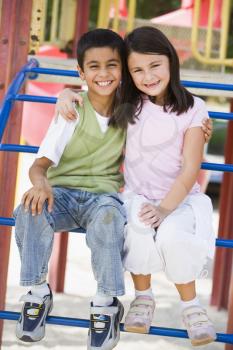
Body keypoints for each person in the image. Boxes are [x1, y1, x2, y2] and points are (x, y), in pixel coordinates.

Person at [55, 27, 216, 347]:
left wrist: (165, 209)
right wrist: (66, 93)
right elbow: (91, 96)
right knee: (137, 228)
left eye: (155, 66)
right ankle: (143, 297)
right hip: (137, 193)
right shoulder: (126, 102)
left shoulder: (193, 108)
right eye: (137, 70)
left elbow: (190, 168)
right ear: (128, 75)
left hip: (179, 198)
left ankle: (191, 306)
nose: (148, 76)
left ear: (170, 61)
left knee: (173, 235)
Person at [14, 28, 128, 350]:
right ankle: (37, 294)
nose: (103, 74)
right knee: (29, 208)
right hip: (62, 193)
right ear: (81, 72)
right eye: (94, 66)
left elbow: (169, 109)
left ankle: (106, 305)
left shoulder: (131, 110)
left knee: (110, 219)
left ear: (123, 69)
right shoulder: (72, 110)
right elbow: (39, 166)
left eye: (112, 65)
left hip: (102, 197)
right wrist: (41, 185)